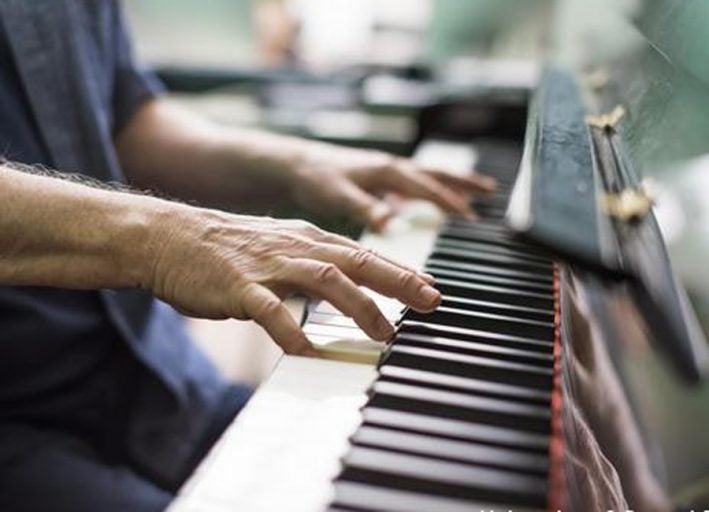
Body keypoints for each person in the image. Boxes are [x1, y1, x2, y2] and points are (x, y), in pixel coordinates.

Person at [0, 2, 495, 511]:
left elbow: (121, 118)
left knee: (396, 476)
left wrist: (294, 162)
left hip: (156, 380)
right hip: (16, 421)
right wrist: (162, 240)